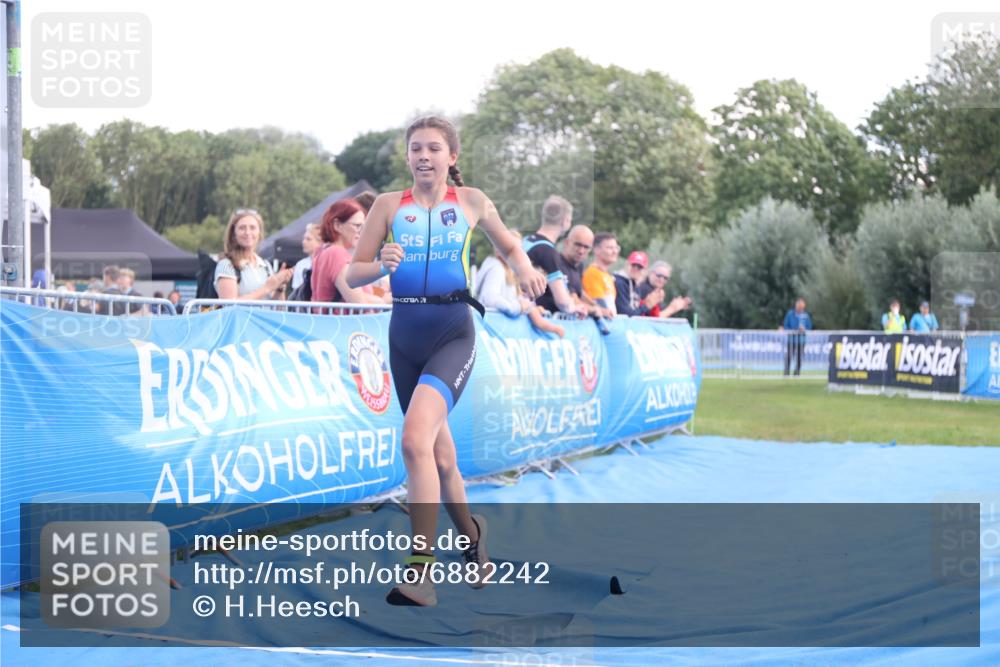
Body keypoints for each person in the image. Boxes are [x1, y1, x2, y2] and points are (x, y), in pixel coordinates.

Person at [345, 116, 545, 606]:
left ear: (451, 157)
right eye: (416, 149)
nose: (423, 156)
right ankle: (473, 539)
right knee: (441, 456)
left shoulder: (471, 201)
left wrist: (526, 270)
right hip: (403, 337)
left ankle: (421, 572)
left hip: (452, 333)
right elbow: (354, 272)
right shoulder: (389, 206)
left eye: (434, 148)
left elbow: (509, 244)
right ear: (408, 157)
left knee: (414, 441)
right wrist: (381, 264)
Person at [473, 230, 565, 337]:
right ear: (498, 249)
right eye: (512, 249)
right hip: (488, 330)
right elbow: (490, 299)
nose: (517, 254)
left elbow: (512, 297)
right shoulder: (496, 268)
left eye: (520, 250)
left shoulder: (509, 270)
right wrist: (519, 307)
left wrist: (527, 306)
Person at [311, 199, 391, 311]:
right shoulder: (336, 254)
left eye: (363, 227)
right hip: (345, 326)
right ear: (337, 225)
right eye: (357, 226)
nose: (361, 232)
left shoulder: (325, 251)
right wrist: (382, 301)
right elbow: (358, 303)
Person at [523, 195, 588, 317]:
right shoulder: (548, 252)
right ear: (565, 221)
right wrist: (574, 307)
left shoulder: (525, 241)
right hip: (536, 322)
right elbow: (563, 302)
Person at [214, 209, 293, 300]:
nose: (248, 233)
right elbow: (229, 306)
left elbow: (278, 310)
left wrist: (279, 287)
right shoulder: (226, 265)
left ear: (259, 233)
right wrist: (267, 288)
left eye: (252, 228)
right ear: (233, 234)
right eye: (242, 228)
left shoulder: (265, 266)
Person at [613, 251, 664, 317]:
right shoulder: (619, 283)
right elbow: (626, 315)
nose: (636, 269)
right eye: (633, 265)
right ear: (627, 264)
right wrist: (646, 306)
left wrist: (649, 304)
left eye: (640, 267)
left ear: (645, 270)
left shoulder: (635, 286)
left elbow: (636, 312)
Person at [582, 233, 621, 316]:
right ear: (596, 250)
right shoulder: (592, 273)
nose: (614, 251)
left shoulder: (607, 276)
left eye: (616, 248)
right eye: (610, 248)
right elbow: (599, 305)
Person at [780, 298, 813, 376]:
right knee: (789, 356)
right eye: (799, 307)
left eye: (802, 307)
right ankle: (786, 373)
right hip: (791, 340)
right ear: (796, 306)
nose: (800, 309)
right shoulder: (790, 314)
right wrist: (794, 329)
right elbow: (786, 326)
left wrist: (804, 329)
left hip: (801, 340)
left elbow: (809, 327)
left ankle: (797, 373)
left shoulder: (806, 316)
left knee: (799, 358)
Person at [291, 223, 322, 291]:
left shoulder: (327, 263)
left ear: (320, 242)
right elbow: (296, 294)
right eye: (304, 238)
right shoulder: (300, 264)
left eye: (308, 239)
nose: (304, 242)